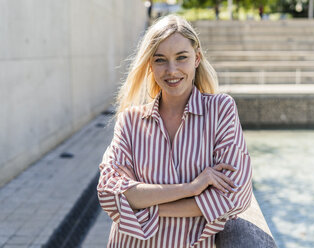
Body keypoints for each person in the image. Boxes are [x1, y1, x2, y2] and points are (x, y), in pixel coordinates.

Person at [97, 15, 252, 248]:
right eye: (161, 60)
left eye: (181, 58)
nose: (172, 70)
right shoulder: (129, 121)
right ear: (150, 64)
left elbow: (235, 194)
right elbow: (110, 193)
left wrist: (146, 204)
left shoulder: (220, 110)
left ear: (197, 58)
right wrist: (191, 188)